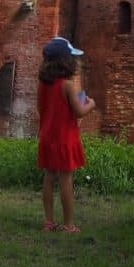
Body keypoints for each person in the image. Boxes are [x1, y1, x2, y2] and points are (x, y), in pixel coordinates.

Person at [37, 36, 96, 233]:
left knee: (49, 177)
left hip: (47, 136)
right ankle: (69, 224)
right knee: (65, 179)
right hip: (64, 137)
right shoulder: (67, 86)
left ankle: (48, 221)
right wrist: (91, 104)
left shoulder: (43, 85)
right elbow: (79, 111)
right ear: (66, 61)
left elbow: (42, 108)